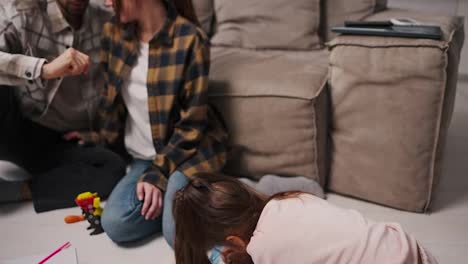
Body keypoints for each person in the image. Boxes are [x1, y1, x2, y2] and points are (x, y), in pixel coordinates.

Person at [85, 0, 228, 243]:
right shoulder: (114, 32)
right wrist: (94, 138)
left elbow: (192, 125)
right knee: (116, 224)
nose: (106, 1)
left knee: (175, 235)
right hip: (144, 157)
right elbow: (111, 100)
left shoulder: (190, 39)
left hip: (188, 153)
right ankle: (186, 202)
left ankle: (215, 194)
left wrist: (158, 176)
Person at [0, 0, 126, 212]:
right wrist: (44, 69)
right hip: (18, 123)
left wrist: (95, 135)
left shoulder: (107, 17)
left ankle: (12, 191)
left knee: (112, 169)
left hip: (61, 141)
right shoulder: (20, 12)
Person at [173, 173, 439, 264]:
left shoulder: (264, 248)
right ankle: (262, 181)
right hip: (416, 253)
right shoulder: (292, 200)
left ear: (233, 240)